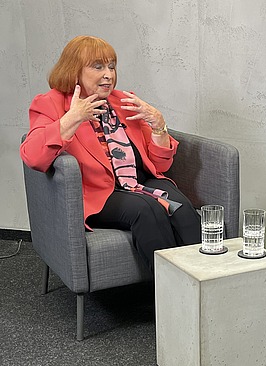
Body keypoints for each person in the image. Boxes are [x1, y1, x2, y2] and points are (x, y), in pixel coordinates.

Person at [21, 35, 201, 273]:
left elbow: (160, 166)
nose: (109, 74)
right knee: (146, 210)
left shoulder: (122, 101)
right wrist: (73, 118)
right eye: (98, 67)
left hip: (137, 182)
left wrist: (159, 125)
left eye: (112, 66)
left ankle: (206, 282)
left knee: (183, 210)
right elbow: (32, 156)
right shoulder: (50, 103)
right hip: (97, 192)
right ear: (74, 71)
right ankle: (170, 291)